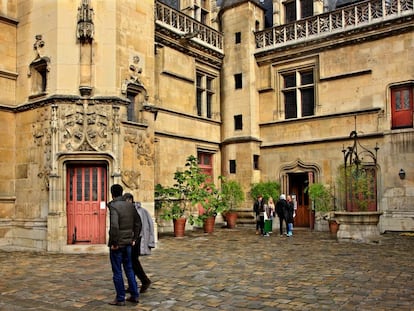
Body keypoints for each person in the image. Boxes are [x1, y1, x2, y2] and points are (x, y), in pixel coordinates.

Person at [107, 184, 141, 306]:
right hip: (128, 243)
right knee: (129, 269)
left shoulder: (114, 206)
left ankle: (120, 298)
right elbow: (138, 223)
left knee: (117, 271)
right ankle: (135, 295)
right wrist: (134, 239)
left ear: (112, 193)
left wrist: (114, 243)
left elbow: (114, 226)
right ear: (121, 193)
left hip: (118, 244)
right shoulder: (130, 205)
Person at [123, 193, 154, 293]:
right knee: (130, 262)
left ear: (131, 200)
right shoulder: (127, 210)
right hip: (130, 239)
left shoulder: (140, 211)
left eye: (128, 200)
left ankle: (144, 281)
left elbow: (143, 226)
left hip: (135, 239)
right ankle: (134, 284)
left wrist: (149, 241)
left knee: (133, 262)